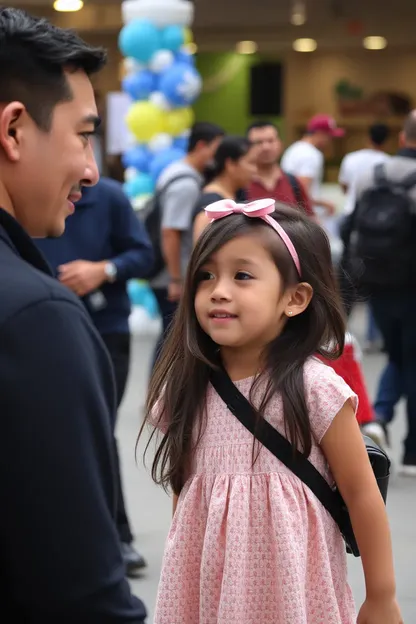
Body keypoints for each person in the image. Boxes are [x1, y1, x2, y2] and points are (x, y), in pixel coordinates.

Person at [141, 200, 401, 623]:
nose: (218, 290)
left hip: (291, 592)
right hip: (206, 591)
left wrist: (382, 597)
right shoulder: (187, 387)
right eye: (206, 275)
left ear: (295, 299)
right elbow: (187, 493)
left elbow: (362, 495)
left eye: (242, 275)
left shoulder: (313, 388)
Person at [0, 8, 146, 622]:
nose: (89, 167)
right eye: (83, 135)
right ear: (13, 129)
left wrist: (105, 271)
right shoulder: (35, 320)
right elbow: (81, 595)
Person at [35, 176, 153, 577]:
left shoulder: (109, 197)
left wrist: (103, 269)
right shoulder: (24, 195)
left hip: (104, 331)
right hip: (37, 329)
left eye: (88, 136)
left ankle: (117, 537)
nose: (85, 165)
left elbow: (143, 254)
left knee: (97, 428)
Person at [345, 111, 416, 475]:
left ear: (402, 139)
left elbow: (350, 223)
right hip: (412, 284)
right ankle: (411, 452)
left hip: (380, 283)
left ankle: (381, 416)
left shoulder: (376, 174)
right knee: (411, 359)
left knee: (400, 355)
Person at [150, 121, 224, 362]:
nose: (217, 157)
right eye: (216, 149)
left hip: (170, 272)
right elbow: (170, 231)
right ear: (201, 146)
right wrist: (175, 279)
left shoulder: (176, 172)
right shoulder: (185, 184)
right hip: (171, 275)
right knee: (171, 339)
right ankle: (158, 395)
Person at [339, 123, 391, 351]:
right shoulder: (388, 163)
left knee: (348, 278)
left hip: (351, 221)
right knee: (376, 278)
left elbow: (344, 186)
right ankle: (373, 335)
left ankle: (340, 332)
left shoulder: (351, 158)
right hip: (378, 226)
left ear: (368, 137)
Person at [193, 135, 257, 241]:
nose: (255, 170)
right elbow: (201, 250)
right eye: (251, 163)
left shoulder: (239, 193)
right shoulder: (210, 204)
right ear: (230, 164)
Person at [281, 114, 344, 218]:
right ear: (320, 133)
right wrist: (323, 205)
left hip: (290, 211)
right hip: (302, 215)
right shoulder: (311, 154)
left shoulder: (294, 148)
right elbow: (302, 190)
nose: (330, 141)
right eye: (329, 136)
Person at [245, 120, 314, 216]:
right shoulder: (241, 185)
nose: (266, 147)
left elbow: (310, 220)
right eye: (258, 142)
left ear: (280, 144)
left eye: (271, 141)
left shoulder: (293, 182)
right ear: (248, 147)